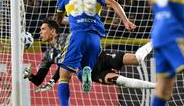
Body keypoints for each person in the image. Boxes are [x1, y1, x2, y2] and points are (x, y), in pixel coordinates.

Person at [55, 0, 136, 106]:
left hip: (77, 36)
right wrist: (125, 21)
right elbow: (113, 3)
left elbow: (59, 20)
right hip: (95, 39)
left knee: (64, 77)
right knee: (86, 72)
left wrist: (69, 20)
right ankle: (85, 71)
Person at [26, 19, 155, 92]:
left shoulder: (69, 38)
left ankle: (154, 41)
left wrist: (53, 80)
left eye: (43, 29)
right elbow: (39, 80)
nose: (40, 32)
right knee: (120, 81)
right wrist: (30, 75)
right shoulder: (48, 55)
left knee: (137, 58)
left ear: (53, 31)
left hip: (100, 57)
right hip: (93, 73)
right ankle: (156, 86)